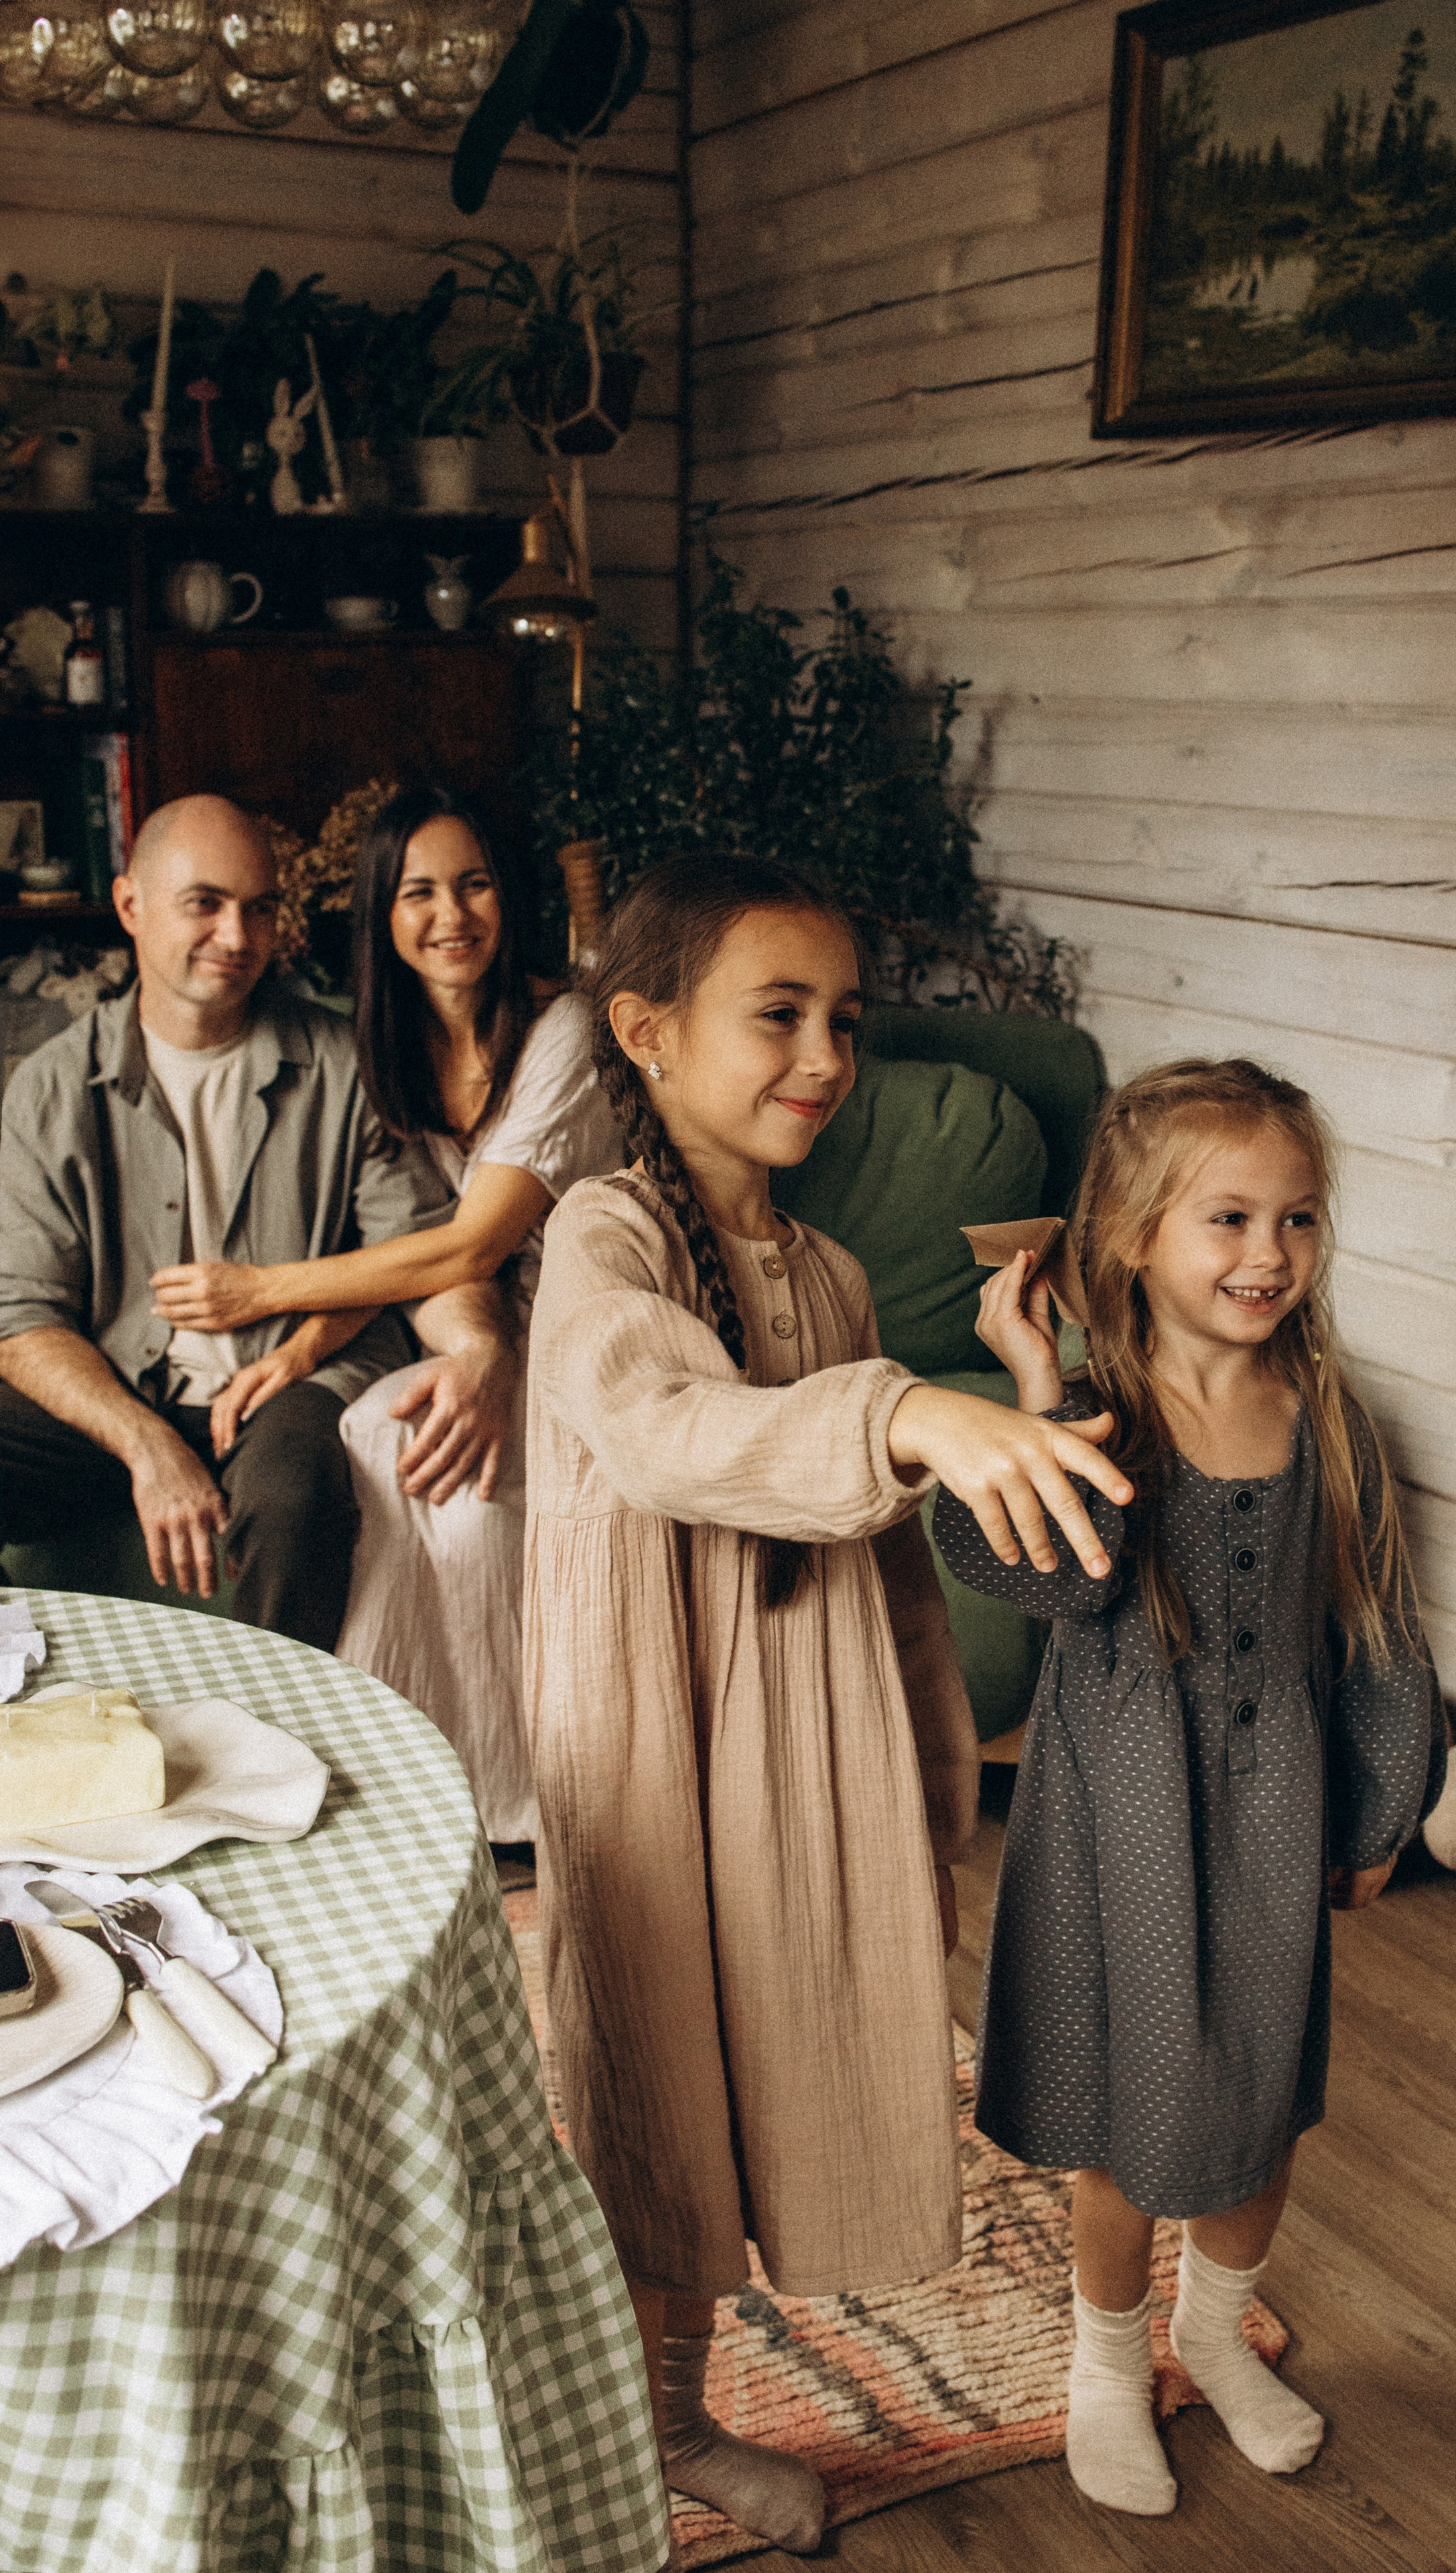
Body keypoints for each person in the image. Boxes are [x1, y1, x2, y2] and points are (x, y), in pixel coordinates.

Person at [523, 854, 1134, 2555]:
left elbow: (884, 1584)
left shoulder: (830, 1275)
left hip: (791, 1745)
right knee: (650, 2086)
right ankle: (634, 2420)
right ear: (644, 1031)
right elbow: (662, 1422)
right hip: (649, 1745)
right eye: (775, 1014)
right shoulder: (601, 1234)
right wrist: (912, 1420)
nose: (821, 1056)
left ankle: (671, 2404)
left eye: (841, 1021)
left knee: (763, 2072)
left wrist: (934, 1762)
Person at [933, 1057, 1448, 2517]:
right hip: (1121, 1822)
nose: (1265, 1256)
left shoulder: (1330, 1419)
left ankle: (1213, 2338)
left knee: (1256, 2105)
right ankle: (1106, 2372)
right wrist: (1036, 1398)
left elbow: (1376, 1625)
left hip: (1277, 1809)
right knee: (1125, 2119)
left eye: (1293, 1221)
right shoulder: (1103, 1421)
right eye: (1226, 1220)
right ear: (1131, 1241)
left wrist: (1379, 1807)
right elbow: (1036, 1581)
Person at [148, 784, 619, 1841]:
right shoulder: (389, 1047)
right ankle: (406, 1780)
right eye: (419, 893)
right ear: (382, 917)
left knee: (453, 1482)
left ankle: (526, 1805)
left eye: (475, 884)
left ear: (511, 897)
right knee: (372, 1431)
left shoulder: (567, 1030)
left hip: (594, 1322)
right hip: (476, 1318)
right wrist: (305, 1348)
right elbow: (394, 1248)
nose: (451, 916)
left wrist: (261, 1291)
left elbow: (472, 1242)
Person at [0, 793, 511, 1652]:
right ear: (131, 906)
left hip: (294, 1386)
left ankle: (285, 1750)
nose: (238, 938)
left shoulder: (345, 1063)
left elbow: (420, 1257)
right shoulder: (50, 1088)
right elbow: (22, 1320)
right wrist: (148, 1446)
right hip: (126, 1394)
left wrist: (478, 1348)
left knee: (293, 1494)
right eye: (204, 903)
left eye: (261, 908)